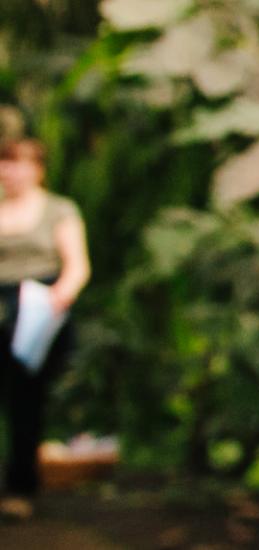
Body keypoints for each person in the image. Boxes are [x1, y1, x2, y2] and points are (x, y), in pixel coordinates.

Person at [0, 137, 91, 519]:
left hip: (37, 310)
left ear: (37, 168)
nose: (9, 171)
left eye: (17, 163)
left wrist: (57, 300)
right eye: (4, 163)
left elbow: (77, 265)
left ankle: (20, 488)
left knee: (25, 399)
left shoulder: (58, 210)